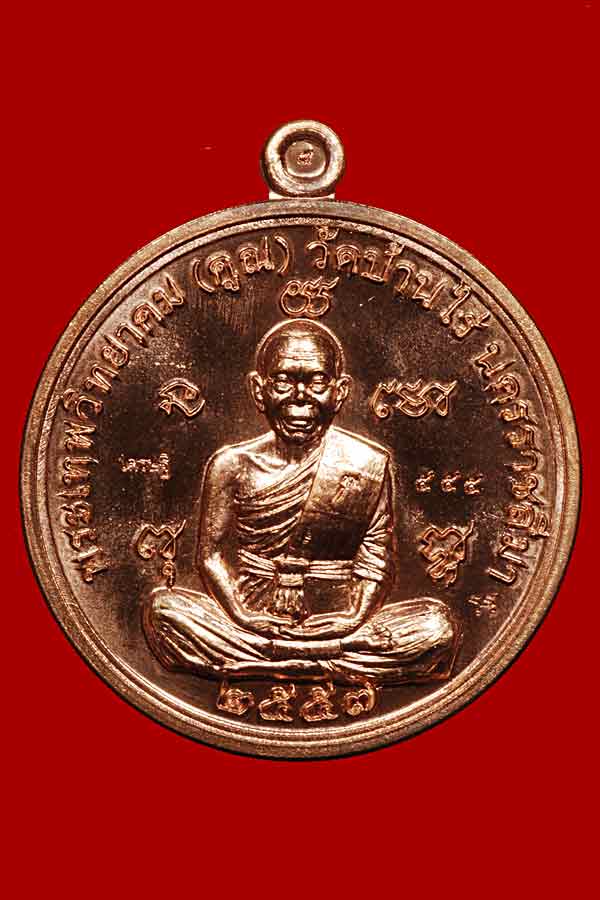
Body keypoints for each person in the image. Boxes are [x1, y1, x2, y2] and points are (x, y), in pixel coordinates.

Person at [143, 318, 459, 684]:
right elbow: (211, 556)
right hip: (251, 621)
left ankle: (269, 664)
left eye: (317, 382)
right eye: (283, 381)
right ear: (259, 390)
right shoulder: (231, 465)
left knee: (437, 628)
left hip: (336, 621)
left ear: (340, 392)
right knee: (164, 612)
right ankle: (318, 662)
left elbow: (377, 557)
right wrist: (244, 617)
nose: (300, 396)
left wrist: (353, 618)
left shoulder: (366, 463)